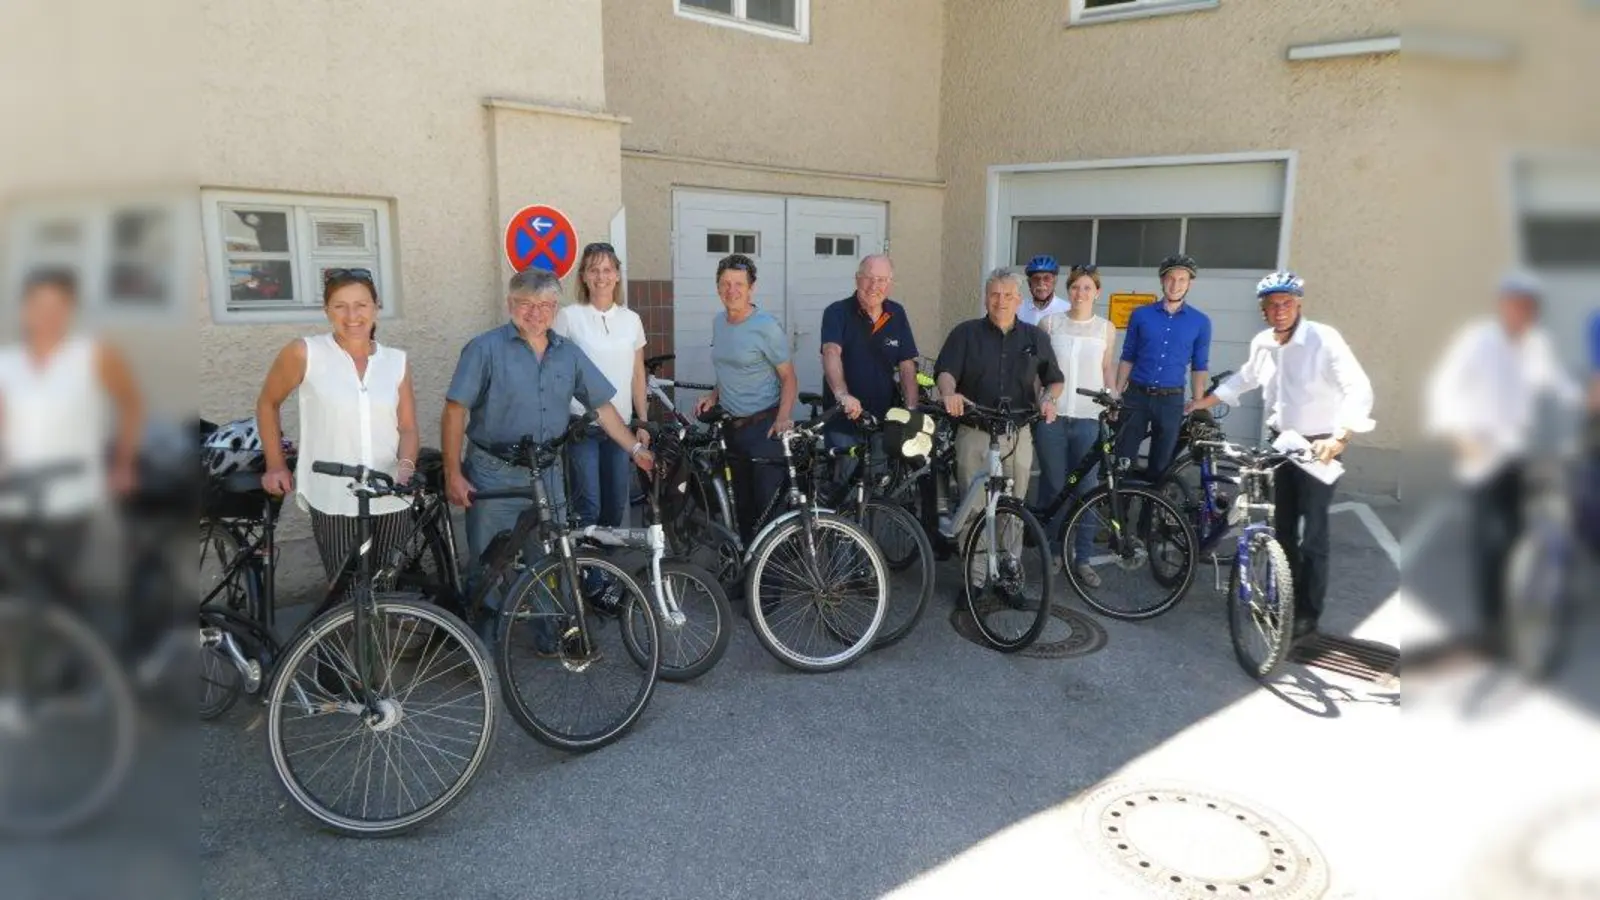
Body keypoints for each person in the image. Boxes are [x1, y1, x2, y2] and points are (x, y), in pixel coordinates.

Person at [442, 267, 654, 639]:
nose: (536, 313)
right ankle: (482, 642)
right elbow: (455, 411)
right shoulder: (484, 349)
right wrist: (453, 474)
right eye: (526, 303)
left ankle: (548, 633)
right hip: (493, 473)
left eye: (545, 305)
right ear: (510, 303)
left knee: (549, 557)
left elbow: (603, 407)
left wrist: (635, 448)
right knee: (489, 561)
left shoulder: (568, 353)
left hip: (547, 473)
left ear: (556, 308)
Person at [1191, 271, 1375, 640]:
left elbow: (1357, 387)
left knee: (1313, 534)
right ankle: (1284, 600)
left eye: (1286, 303)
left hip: (1320, 447)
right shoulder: (1264, 343)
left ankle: (1307, 613)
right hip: (1282, 445)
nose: (1279, 310)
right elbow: (1246, 377)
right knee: (1283, 527)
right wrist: (1203, 402)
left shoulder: (1323, 339)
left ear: (1298, 304)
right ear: (1263, 309)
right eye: (1272, 304)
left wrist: (1340, 437)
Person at [1421, 270, 1581, 656]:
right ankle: (1492, 625)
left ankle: (1520, 611)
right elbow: (1443, 388)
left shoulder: (1537, 344)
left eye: (1528, 307)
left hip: (1517, 453)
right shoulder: (1478, 341)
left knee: (1517, 534)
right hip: (1480, 455)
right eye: (1515, 304)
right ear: (1502, 305)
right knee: (1489, 543)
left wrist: (1585, 399)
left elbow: (1557, 384)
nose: (1521, 312)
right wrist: (1459, 436)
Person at [257, 269, 417, 580]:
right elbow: (268, 403)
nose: (352, 316)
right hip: (334, 493)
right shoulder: (305, 352)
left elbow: (407, 426)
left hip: (390, 492)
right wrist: (275, 465)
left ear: (376, 308)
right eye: (340, 306)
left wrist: (406, 468)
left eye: (361, 305)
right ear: (327, 310)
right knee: (348, 590)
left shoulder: (396, 361)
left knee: (387, 587)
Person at [0, 268, 143, 598]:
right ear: (25, 310)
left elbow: (131, 402)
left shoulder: (93, 355)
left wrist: (124, 463)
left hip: (69, 495)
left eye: (58, 306)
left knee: (53, 589)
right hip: (11, 494)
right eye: (39, 305)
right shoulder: (6, 362)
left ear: (70, 311)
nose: (47, 315)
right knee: (14, 588)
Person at [935, 268, 1065, 587]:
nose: (1001, 301)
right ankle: (976, 580)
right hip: (975, 432)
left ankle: (1009, 576)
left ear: (1019, 300)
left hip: (1017, 433)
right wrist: (949, 393)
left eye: (1008, 295)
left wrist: (1049, 399)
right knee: (975, 508)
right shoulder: (965, 333)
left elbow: (1054, 379)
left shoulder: (1035, 337)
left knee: (1014, 507)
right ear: (985, 298)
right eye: (994, 294)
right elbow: (946, 372)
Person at [692, 254, 798, 545]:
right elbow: (730, 367)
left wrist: (783, 417)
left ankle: (772, 574)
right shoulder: (719, 323)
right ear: (717, 287)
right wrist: (713, 395)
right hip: (732, 429)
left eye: (739, 284)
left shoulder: (766, 326)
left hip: (763, 427)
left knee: (769, 511)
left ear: (752, 288)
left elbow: (789, 377)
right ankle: (748, 566)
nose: (732, 290)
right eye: (725, 283)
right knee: (742, 507)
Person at [554, 242, 651, 530]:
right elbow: (556, 373)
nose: (601, 276)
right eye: (593, 270)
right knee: (588, 505)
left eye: (607, 270)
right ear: (583, 276)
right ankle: (586, 559)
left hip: (620, 426)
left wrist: (642, 421)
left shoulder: (631, 320)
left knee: (615, 504)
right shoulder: (568, 317)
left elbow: (638, 375)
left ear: (617, 275)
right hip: (582, 426)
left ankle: (607, 557)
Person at [1034, 264, 1117, 586]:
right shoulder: (1050, 323)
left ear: (1097, 292)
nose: (1080, 293)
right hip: (1052, 419)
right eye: (1075, 287)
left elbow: (1106, 368)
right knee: (1055, 487)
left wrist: (1113, 398)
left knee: (1087, 490)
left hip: (1088, 419)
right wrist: (1038, 401)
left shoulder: (1106, 328)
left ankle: (1082, 559)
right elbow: (1038, 370)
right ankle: (1054, 551)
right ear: (1067, 291)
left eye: (1087, 288)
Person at [819, 254, 920, 480]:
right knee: (845, 485)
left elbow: (906, 365)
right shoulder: (837, 312)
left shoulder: (897, 314)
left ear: (890, 283)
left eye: (882, 280)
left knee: (878, 485)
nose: (874, 286)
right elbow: (831, 352)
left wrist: (912, 410)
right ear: (857, 279)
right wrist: (842, 395)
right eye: (868, 278)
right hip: (844, 420)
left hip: (882, 420)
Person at [1114, 255, 1211, 485]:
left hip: (1171, 401)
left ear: (1189, 284)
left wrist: (1198, 403)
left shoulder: (1200, 322)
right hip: (1135, 396)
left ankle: (1151, 507)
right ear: (1162, 280)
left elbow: (1199, 365)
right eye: (1170, 278)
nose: (1175, 284)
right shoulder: (1141, 315)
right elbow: (1128, 356)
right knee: (1123, 460)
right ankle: (1121, 505)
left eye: (1182, 279)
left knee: (1161, 466)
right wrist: (1116, 393)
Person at [1018, 255, 1070, 327]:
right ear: (1029, 283)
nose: (1041, 283)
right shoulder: (1019, 308)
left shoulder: (1066, 309)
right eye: (1036, 279)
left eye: (1046, 278)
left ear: (1054, 281)